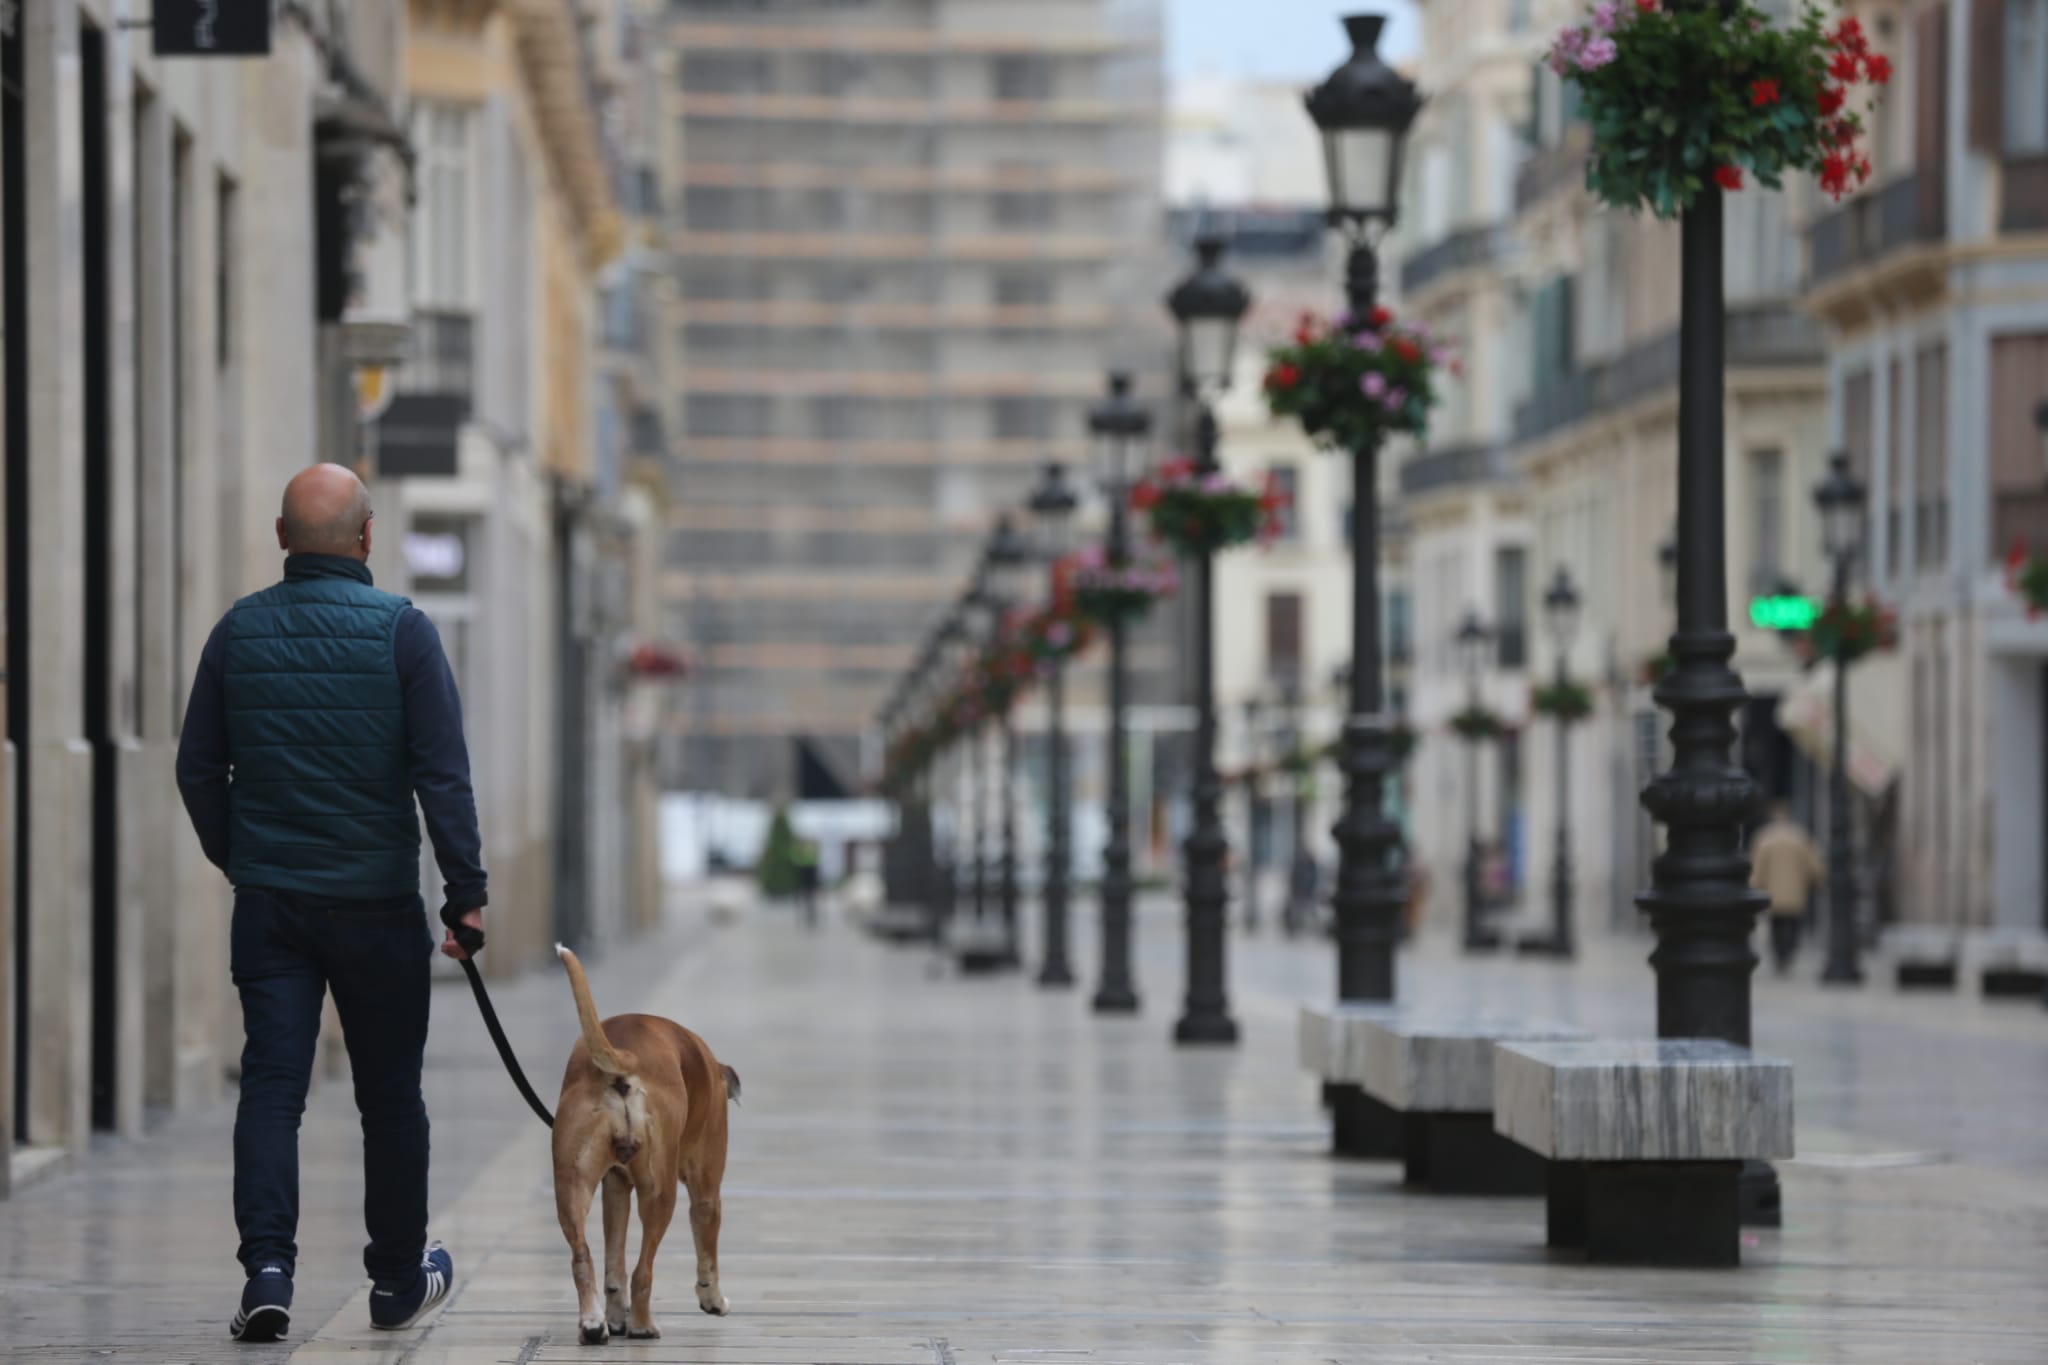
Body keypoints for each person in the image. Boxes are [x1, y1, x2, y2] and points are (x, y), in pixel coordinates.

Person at [176, 464, 486, 1343]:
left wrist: (245, 857)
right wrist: (466, 895)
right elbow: (442, 776)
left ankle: (267, 1272)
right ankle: (396, 1278)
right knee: (389, 1095)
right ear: (366, 538)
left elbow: (197, 767)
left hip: (272, 906)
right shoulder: (404, 633)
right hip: (378, 907)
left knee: (273, 1086)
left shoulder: (238, 632)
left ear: (281, 539)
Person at [1749, 802, 1823, 975]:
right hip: (1795, 891)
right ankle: (1788, 954)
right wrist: (1817, 879)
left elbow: (1757, 867)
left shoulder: (1765, 838)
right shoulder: (1799, 837)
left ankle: (1780, 956)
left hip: (1773, 893)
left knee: (1776, 926)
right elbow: (1813, 862)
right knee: (1793, 925)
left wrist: (1754, 886)